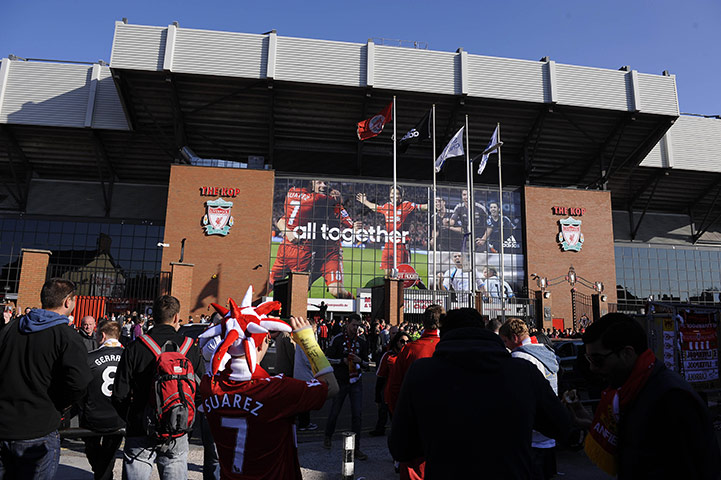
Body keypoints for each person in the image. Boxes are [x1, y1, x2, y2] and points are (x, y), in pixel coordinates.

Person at [389, 308, 574, 479]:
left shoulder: (421, 373)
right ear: (484, 331)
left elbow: (400, 447)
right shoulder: (523, 371)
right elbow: (562, 428)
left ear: (443, 336)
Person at [198, 293, 339, 480]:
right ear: (263, 341)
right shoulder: (276, 389)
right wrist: (308, 341)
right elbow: (332, 386)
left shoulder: (208, 386)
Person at [569, 313, 721, 479]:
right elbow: (637, 446)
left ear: (627, 353)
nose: (593, 368)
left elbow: (693, 468)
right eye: (588, 359)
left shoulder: (671, 397)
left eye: (598, 360)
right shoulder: (632, 389)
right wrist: (591, 423)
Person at [0, 278, 92, 478]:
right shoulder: (66, 335)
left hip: (5, 425)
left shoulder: (11, 328)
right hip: (38, 432)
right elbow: (80, 381)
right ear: (68, 302)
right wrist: (62, 403)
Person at [111, 295, 204, 480]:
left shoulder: (136, 347)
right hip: (177, 428)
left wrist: (131, 417)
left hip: (140, 426)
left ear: (153, 315)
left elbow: (119, 394)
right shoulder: (190, 348)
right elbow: (200, 392)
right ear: (176, 317)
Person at [385, 304, 444, 479]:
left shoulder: (409, 349)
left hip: (414, 422)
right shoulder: (447, 348)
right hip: (443, 424)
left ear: (423, 323)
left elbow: (393, 389)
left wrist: (398, 416)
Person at [270, 179, 355, 298]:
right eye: (319, 183)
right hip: (311, 254)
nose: (323, 186)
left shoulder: (334, 205)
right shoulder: (312, 202)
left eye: (325, 183)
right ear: (311, 184)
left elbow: (351, 225)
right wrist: (288, 232)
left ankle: (355, 310)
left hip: (329, 253)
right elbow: (281, 220)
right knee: (300, 288)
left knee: (337, 291)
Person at [499, 318, 560, 480]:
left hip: (531, 434)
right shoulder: (545, 352)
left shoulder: (520, 358)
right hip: (549, 428)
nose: (505, 346)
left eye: (505, 341)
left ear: (514, 337)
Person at [80, 320, 126, 480]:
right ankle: (104, 474)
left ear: (103, 335)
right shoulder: (128, 356)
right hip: (119, 417)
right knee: (110, 451)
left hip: (93, 416)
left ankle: (102, 475)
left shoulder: (90, 357)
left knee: (92, 448)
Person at [324, 313, 370, 459]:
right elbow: (327, 358)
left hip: (356, 381)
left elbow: (367, 364)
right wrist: (341, 360)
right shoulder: (337, 339)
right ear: (347, 324)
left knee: (357, 415)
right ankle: (328, 436)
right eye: (354, 325)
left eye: (358, 325)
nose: (356, 328)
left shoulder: (362, 341)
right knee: (335, 411)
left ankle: (356, 448)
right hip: (341, 381)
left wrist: (360, 361)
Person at [356, 186, 428, 276]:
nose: (395, 196)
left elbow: (423, 207)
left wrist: (434, 205)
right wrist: (365, 201)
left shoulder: (407, 205)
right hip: (388, 245)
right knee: (387, 274)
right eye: (392, 193)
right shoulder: (387, 206)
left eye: (397, 194)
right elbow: (375, 207)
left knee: (401, 274)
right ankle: (388, 289)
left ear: (402, 195)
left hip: (401, 246)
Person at [370, 331, 410, 437]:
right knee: (384, 411)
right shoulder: (388, 356)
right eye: (402, 341)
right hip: (388, 389)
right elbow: (380, 376)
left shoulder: (410, 356)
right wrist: (377, 397)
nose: (405, 344)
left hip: (405, 390)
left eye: (407, 341)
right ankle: (380, 429)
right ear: (396, 342)